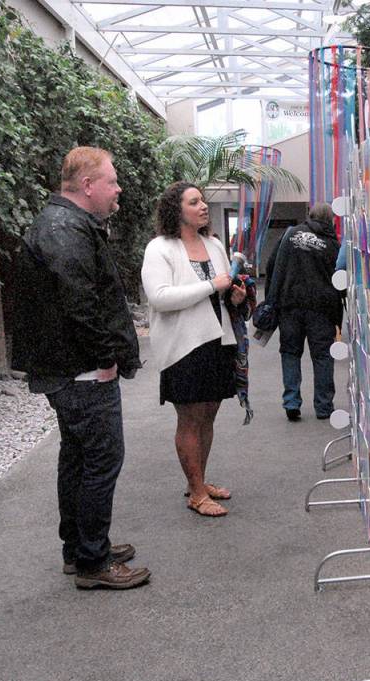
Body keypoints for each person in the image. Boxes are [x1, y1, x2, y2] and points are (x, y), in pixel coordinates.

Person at [11, 146, 150, 590]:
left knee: (78, 456)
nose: (118, 188)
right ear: (88, 185)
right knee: (101, 459)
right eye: (111, 180)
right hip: (82, 371)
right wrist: (104, 359)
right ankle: (93, 561)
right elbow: (80, 304)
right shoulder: (66, 228)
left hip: (69, 368)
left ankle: (82, 548)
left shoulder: (62, 224)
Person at [141, 181, 247, 517]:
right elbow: (159, 297)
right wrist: (210, 286)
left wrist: (233, 295)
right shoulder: (159, 248)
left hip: (218, 340)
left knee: (209, 413)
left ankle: (197, 482)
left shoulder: (213, 245)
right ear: (177, 210)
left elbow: (221, 289)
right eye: (194, 202)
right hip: (184, 346)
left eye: (202, 200)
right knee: (190, 417)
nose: (203, 206)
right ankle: (197, 493)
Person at [265, 202, 343, 421]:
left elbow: (272, 265)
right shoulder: (332, 244)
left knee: (290, 353)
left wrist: (273, 298)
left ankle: (291, 401)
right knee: (322, 357)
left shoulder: (290, 235)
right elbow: (339, 278)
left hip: (290, 307)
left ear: (310, 216)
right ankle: (324, 406)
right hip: (321, 309)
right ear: (330, 220)